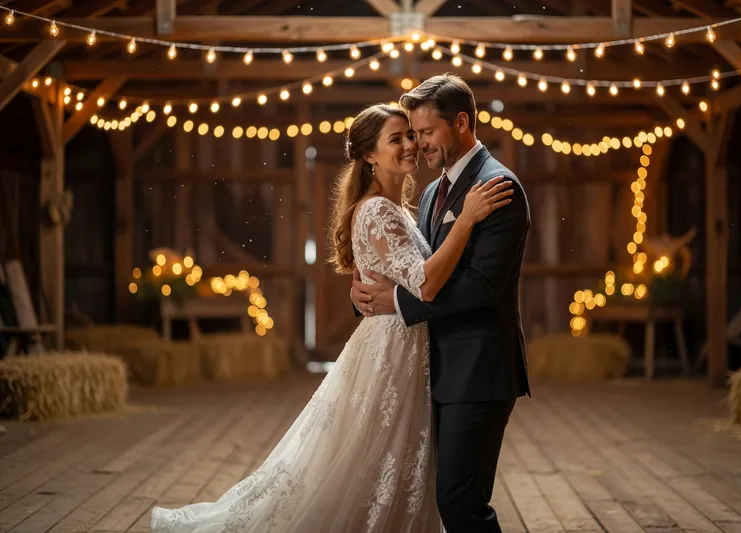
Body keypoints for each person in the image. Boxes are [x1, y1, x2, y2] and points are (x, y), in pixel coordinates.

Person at [149, 102, 512, 533]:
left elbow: (403, 280)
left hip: (412, 348)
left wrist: (372, 296)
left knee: (385, 460)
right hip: (392, 351)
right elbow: (424, 283)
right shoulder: (377, 209)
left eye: (411, 136)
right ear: (370, 155)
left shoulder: (406, 209)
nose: (410, 145)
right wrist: (467, 220)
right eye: (395, 139)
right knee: (367, 458)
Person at [351, 74, 532, 533]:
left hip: (477, 370)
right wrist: (368, 298)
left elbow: (479, 286)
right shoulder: (432, 192)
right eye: (411, 133)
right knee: (427, 498)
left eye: (426, 132)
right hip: (429, 373)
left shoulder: (498, 188)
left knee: (460, 503)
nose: (419, 144)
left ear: (463, 123)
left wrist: (398, 304)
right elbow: (412, 273)